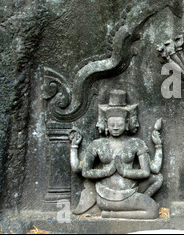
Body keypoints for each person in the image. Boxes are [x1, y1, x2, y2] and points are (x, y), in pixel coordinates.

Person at [70, 89, 163, 219]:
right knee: (152, 210)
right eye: (111, 124)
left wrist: (125, 171)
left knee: (157, 179)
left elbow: (147, 172)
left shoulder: (136, 143)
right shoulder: (98, 144)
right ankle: (113, 212)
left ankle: (110, 214)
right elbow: (83, 171)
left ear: (126, 124)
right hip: (105, 195)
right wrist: (107, 171)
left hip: (129, 191)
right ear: (106, 124)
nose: (115, 127)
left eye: (119, 124)